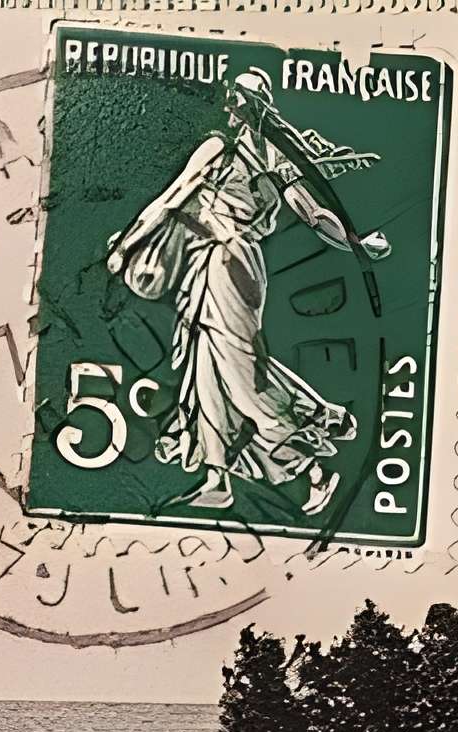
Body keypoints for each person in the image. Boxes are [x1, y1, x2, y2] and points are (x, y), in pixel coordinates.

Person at [106, 69, 392, 515]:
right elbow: (174, 197)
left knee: (240, 372)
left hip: (230, 264)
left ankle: (310, 466)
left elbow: (311, 213)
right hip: (210, 263)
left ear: (252, 106)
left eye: (242, 100)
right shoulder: (241, 151)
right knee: (206, 373)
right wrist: (129, 242)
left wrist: (355, 245)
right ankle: (218, 478)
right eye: (236, 99)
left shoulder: (256, 153)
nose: (236, 106)